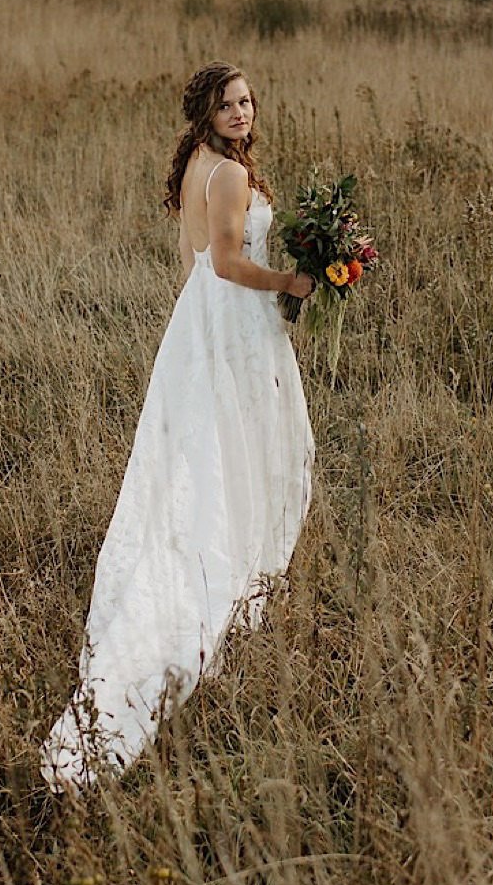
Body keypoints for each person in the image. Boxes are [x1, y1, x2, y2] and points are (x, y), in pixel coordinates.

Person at [40, 61, 316, 789]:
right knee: (244, 451)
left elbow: (194, 263)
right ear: (206, 111)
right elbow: (226, 263)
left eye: (248, 101)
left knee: (208, 450)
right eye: (228, 104)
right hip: (230, 318)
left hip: (201, 323)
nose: (241, 112)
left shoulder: (199, 161)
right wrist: (290, 283)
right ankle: (231, 577)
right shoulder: (225, 174)